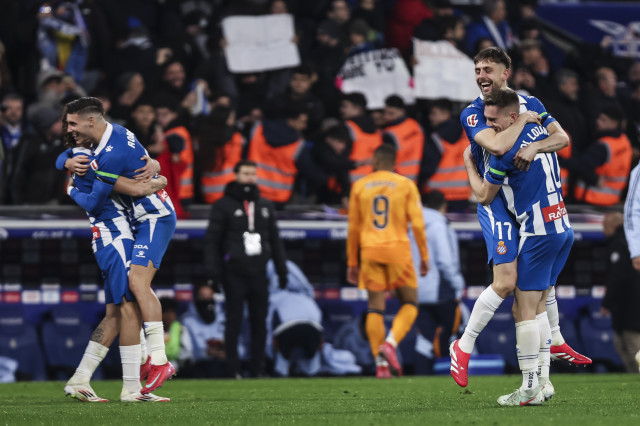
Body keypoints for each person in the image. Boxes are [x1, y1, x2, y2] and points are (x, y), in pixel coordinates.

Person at [450, 47, 589, 390]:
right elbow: (496, 147)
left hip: (522, 201)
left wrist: (535, 145)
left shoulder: (532, 102)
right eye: (477, 69)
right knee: (508, 282)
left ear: (505, 72)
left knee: (537, 286)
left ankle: (544, 372)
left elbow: (561, 138)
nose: (481, 75)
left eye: (487, 69)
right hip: (495, 202)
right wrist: (526, 126)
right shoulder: (473, 112)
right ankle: (463, 346)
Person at [463, 88, 573, 405]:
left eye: (493, 120)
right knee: (537, 306)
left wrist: (470, 164)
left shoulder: (503, 153)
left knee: (522, 310)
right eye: (485, 120)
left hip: (539, 234)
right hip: (563, 227)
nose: (489, 128)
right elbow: (563, 139)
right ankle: (544, 383)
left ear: (512, 117)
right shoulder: (541, 131)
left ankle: (528, 389)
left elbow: (484, 196)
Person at [61, 97, 177, 395]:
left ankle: (86, 380)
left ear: (91, 122)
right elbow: (131, 189)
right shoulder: (93, 156)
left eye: (73, 123)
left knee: (118, 311)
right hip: (112, 232)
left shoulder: (99, 153)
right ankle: (135, 383)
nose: (70, 129)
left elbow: (66, 159)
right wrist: (72, 186)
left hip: (124, 228)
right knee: (126, 307)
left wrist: (156, 167)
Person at [346, 144, 429, 378]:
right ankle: (390, 344)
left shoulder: (360, 186)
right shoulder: (406, 185)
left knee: (375, 307)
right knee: (410, 303)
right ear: (395, 163)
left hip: (370, 250)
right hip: (397, 250)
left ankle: (380, 364)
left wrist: (352, 261)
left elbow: (353, 228)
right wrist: (423, 256)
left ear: (374, 161)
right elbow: (418, 224)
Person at [203, 159, 288, 377]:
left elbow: (275, 240)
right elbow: (212, 241)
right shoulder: (223, 205)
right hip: (234, 273)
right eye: (245, 173)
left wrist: (282, 270)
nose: (250, 178)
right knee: (234, 321)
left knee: (260, 323)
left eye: (253, 174)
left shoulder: (265, 206)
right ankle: (232, 369)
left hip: (259, 272)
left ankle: (256, 369)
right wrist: (213, 274)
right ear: (236, 176)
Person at [410, 190, 465, 375]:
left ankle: (420, 381)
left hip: (416, 289)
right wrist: (457, 282)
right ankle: (457, 377)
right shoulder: (438, 223)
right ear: (444, 206)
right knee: (457, 332)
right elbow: (444, 259)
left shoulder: (410, 222)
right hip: (440, 289)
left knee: (424, 339)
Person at [564, 106, 632, 206]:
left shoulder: (603, 146)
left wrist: (560, 160)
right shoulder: (624, 141)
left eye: (603, 120)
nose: (598, 122)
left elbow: (581, 165)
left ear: (614, 124)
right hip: (612, 199)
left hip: (592, 198)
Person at [601, 212, 640, 373]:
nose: (603, 230)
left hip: (630, 304)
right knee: (620, 342)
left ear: (614, 226)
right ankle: (633, 376)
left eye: (605, 226)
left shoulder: (619, 243)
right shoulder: (631, 240)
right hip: (627, 303)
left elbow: (616, 277)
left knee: (632, 343)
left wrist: (606, 303)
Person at [381, 95, 424, 185]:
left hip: (396, 181)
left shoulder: (389, 133)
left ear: (402, 111)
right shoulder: (416, 125)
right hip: (417, 179)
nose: (386, 117)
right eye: (385, 113)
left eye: (391, 113)